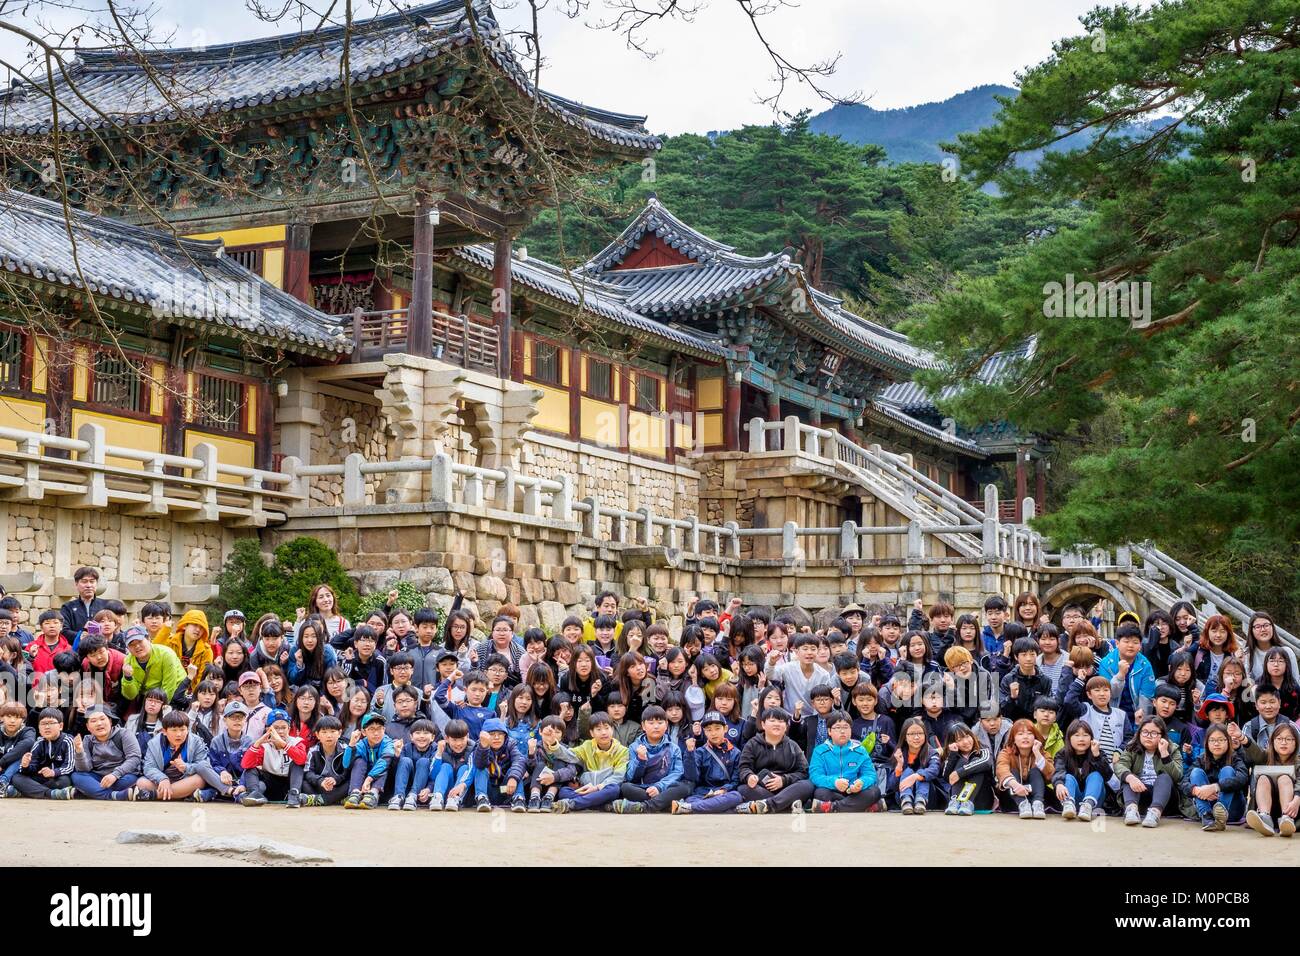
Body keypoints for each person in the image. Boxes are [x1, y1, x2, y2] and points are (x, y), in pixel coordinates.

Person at [735, 706, 815, 814]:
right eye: (772, 721)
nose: (777, 724)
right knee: (743, 789)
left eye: (781, 721)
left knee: (807, 785)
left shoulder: (792, 745)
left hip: (787, 788)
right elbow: (743, 767)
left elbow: (803, 772)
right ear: (763, 724)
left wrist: (783, 780)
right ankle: (786, 805)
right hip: (761, 787)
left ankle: (768, 805)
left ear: (786, 726)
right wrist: (749, 776)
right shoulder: (752, 744)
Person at [137, 711, 228, 802]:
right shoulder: (154, 743)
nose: (179, 734)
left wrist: (186, 767)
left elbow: (204, 764)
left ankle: (155, 795)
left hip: (186, 779)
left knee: (199, 780)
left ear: (187, 729)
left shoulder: (196, 741)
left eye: (182, 729)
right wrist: (162, 779)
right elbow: (149, 767)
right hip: (163, 781)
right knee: (141, 783)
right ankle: (181, 794)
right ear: (164, 731)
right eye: (174, 730)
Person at [613, 705, 687, 813]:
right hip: (643, 788)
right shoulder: (634, 747)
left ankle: (643, 806)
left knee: (684, 787)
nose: (656, 726)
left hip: (664, 788)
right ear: (643, 726)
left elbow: (677, 772)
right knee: (625, 787)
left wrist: (659, 787)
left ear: (666, 725)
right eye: (651, 723)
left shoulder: (673, 748)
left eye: (660, 723)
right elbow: (630, 777)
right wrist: (640, 760)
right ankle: (663, 804)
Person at [552, 712, 629, 813]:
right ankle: (602, 806)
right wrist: (554, 744)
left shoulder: (623, 751)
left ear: (612, 729)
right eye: (598, 729)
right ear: (592, 733)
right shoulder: (587, 746)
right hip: (586, 789)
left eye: (607, 728)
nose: (604, 732)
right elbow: (569, 755)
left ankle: (573, 804)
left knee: (614, 789)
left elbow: (619, 776)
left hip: (604, 789)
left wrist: (597, 788)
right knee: (563, 791)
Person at [1115, 716, 1182, 828]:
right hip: (1140, 793)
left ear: (1162, 735)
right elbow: (1120, 765)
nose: (1148, 737)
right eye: (1145, 732)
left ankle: (1155, 813)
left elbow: (1177, 776)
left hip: (1164, 798)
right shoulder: (1132, 747)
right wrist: (1131, 778)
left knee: (1164, 777)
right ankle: (1131, 810)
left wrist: (1165, 754)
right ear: (1139, 733)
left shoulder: (1172, 749)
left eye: (1154, 733)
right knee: (1129, 776)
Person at [809, 710, 879, 813]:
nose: (842, 731)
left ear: (851, 730)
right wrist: (834, 782)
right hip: (832, 790)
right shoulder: (820, 751)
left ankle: (833, 807)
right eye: (838, 728)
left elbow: (870, 774)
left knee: (874, 792)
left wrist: (861, 783)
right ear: (829, 731)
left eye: (846, 727)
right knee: (820, 793)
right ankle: (862, 806)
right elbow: (815, 776)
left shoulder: (860, 750)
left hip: (854, 791)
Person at [672, 710, 741, 815]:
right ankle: (720, 808)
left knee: (736, 796)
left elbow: (735, 781)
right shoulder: (700, 752)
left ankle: (690, 808)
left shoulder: (735, 753)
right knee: (690, 799)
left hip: (724, 792)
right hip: (703, 793)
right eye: (708, 730)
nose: (713, 733)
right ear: (704, 731)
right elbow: (692, 777)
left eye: (717, 729)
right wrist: (690, 753)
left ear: (725, 729)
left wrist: (723, 790)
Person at [1184, 722, 1248, 831]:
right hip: (1209, 805)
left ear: (1228, 741)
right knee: (1195, 772)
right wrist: (1197, 790)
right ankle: (1206, 815)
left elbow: (1243, 778)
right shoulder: (1201, 759)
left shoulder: (1235, 758)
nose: (1216, 744)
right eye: (1212, 740)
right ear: (1207, 743)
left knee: (1227, 770)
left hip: (1233, 809)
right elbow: (1183, 782)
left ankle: (1220, 815)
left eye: (1221, 740)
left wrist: (1215, 787)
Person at [239, 708, 308, 807]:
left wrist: (284, 745)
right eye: (276, 728)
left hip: (290, 783)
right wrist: (257, 743)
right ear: (268, 729)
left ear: (289, 728)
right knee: (251, 769)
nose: (280, 731)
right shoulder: (264, 746)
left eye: (283, 727)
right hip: (271, 783)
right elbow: (245, 764)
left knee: (297, 764)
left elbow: (302, 759)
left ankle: (294, 797)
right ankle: (254, 794)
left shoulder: (297, 742)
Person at [70, 706, 141, 800]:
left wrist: (115, 775)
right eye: (93, 721)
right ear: (88, 727)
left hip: (121, 776)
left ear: (110, 721)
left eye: (102, 719)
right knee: (77, 776)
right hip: (98, 778)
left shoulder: (124, 734)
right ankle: (114, 795)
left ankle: (93, 792)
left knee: (129, 779)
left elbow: (134, 758)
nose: (99, 723)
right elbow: (84, 769)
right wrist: (79, 752)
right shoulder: (87, 740)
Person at [1097, 623, 1156, 732]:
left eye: (1135, 642)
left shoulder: (1145, 665)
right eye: (1126, 641)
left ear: (1140, 646)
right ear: (1117, 643)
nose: (1130, 645)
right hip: (1111, 715)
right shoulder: (1106, 663)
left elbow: (1146, 697)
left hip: (1136, 716)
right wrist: (1120, 676)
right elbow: (1109, 694)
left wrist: (1140, 724)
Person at [1052, 719, 1113, 822]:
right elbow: (1058, 770)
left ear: (1091, 738)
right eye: (1076, 735)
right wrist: (1058, 784)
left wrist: (1097, 756)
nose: (1081, 739)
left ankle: (1087, 806)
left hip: (1094, 801)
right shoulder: (1062, 754)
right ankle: (1068, 805)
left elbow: (1107, 776)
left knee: (1096, 775)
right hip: (1072, 799)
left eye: (1085, 735)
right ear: (1069, 738)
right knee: (1067, 777)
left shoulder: (1097, 752)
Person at [1245, 723, 1299, 837]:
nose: (1283, 742)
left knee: (1284, 778)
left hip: (1292, 809)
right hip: (1268, 807)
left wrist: (1297, 798)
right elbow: (1255, 752)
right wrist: (1243, 739)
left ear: (1296, 743)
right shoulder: (1265, 757)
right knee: (1263, 778)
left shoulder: (1298, 761)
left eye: (1288, 739)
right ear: (1272, 741)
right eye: (1279, 739)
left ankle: (1286, 821)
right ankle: (1265, 818)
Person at [12, 707, 76, 799]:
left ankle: (26, 791)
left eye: (51, 723)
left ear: (61, 726)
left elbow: (69, 766)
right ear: (39, 728)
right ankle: (51, 793)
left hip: (58, 777)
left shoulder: (68, 741)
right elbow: (32, 768)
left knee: (64, 782)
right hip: (42, 778)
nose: (47, 727)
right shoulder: (39, 743)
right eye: (43, 724)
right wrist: (25, 765)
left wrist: (54, 772)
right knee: (16, 778)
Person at [472, 716, 527, 812]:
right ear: (485, 735)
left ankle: (518, 798)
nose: (496, 738)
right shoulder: (479, 745)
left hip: (505, 789)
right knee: (481, 769)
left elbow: (519, 760)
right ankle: (481, 798)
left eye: (500, 734)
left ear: (505, 735)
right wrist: (484, 747)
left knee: (515, 771)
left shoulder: (510, 744)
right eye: (492, 734)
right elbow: (479, 764)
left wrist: (513, 778)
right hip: (487, 788)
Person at [995, 719, 1048, 819]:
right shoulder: (1006, 753)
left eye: (1029, 733)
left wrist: (1037, 754)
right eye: (1020, 734)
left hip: (1036, 794)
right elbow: (1001, 769)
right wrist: (1015, 785)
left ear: (1035, 737)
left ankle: (1038, 805)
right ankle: (1023, 804)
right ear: (1013, 738)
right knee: (1012, 772)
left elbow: (1051, 775)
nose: (1025, 737)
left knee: (1035, 771)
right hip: (1012, 797)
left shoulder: (1042, 753)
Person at [342, 712, 396, 809]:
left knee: (382, 765)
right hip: (363, 783)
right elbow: (346, 765)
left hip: (383, 785)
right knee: (359, 761)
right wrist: (351, 745)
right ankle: (355, 792)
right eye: (371, 729)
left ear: (384, 730)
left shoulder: (388, 742)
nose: (376, 733)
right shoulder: (361, 744)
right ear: (364, 732)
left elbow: (385, 761)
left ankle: (373, 794)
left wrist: (369, 779)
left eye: (379, 728)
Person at [119, 630, 188, 706]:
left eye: (140, 641)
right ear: (127, 648)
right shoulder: (128, 661)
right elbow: (130, 696)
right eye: (131, 644)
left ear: (148, 639)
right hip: (150, 696)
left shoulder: (166, 654)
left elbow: (169, 687)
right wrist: (128, 678)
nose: (137, 646)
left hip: (175, 693)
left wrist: (161, 709)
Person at [939, 722, 994, 815]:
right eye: (959, 740)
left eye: (967, 736)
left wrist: (960, 772)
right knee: (961, 762)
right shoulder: (953, 755)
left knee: (977, 763)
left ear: (972, 736)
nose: (965, 742)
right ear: (953, 743)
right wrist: (952, 755)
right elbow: (946, 777)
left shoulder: (983, 749)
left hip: (981, 799)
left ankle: (967, 802)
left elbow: (987, 763)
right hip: (957, 804)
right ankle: (955, 802)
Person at [890, 716, 940, 814]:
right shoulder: (899, 753)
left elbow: (935, 769)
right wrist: (899, 766)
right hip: (902, 799)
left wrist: (916, 776)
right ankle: (907, 800)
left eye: (920, 733)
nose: (916, 737)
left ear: (925, 735)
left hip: (928, 797)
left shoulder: (932, 752)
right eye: (912, 734)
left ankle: (920, 801)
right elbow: (892, 786)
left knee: (922, 775)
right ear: (905, 736)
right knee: (907, 771)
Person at [158, 608, 214, 696]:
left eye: (201, 627)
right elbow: (155, 651)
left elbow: (202, 678)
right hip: (167, 690)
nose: (198, 630)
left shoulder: (206, 651)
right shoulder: (171, 642)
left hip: (192, 694)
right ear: (184, 625)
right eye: (195, 625)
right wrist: (165, 630)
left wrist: (194, 697)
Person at [999, 637, 1054, 721]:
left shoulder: (1045, 681)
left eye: (1032, 654)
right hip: (1013, 725)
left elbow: (1048, 708)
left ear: (1037, 655)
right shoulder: (1008, 679)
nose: (1028, 659)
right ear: (1016, 657)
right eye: (1024, 655)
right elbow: (1002, 711)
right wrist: (1012, 698)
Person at [299, 715, 348, 807]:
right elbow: (308, 773)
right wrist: (320, 781)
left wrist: (335, 780)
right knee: (303, 783)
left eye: (333, 732)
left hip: (338, 785)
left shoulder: (345, 750)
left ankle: (321, 800)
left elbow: (347, 772)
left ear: (339, 733)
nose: (329, 736)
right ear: (317, 735)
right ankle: (336, 800)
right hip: (321, 786)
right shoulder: (313, 751)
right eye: (324, 732)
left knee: (349, 783)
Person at [429, 720, 476, 811]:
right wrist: (438, 754)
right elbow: (433, 775)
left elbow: (472, 770)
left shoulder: (473, 748)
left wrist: (462, 785)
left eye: (462, 739)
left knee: (465, 767)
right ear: (446, 738)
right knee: (445, 766)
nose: (458, 744)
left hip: (463, 791)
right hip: (445, 789)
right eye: (454, 740)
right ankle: (437, 796)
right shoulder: (441, 748)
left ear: (468, 736)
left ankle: (455, 798)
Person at [59, 567, 107, 644]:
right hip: (77, 650)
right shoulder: (68, 607)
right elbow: (63, 630)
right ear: (76, 584)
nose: (88, 585)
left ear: (96, 584)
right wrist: (82, 635)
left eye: (92, 581)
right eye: (84, 582)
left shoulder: (106, 605)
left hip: (102, 649)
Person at [0, 701, 35, 796]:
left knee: (22, 755)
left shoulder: (28, 731)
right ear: (2, 718)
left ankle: (3, 782)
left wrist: (2, 762)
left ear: (23, 720)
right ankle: (9, 790)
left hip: (18, 770)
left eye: (17, 717)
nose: (12, 721)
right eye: (9, 716)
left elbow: (28, 743)